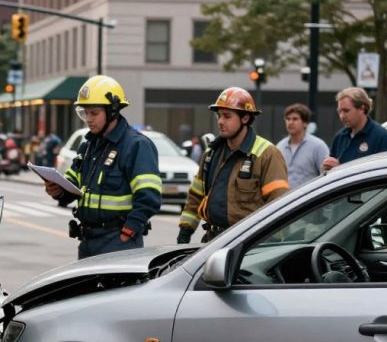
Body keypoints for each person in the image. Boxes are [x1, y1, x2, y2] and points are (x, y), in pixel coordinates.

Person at [44, 75, 162, 259]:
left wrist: (129, 231)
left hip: (119, 243)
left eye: (94, 113)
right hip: (88, 241)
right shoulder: (89, 145)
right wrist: (58, 190)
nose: (88, 119)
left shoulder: (136, 145)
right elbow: (72, 185)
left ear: (113, 110)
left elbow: (149, 197)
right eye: (84, 112)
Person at [177, 87, 290, 243]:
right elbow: (196, 195)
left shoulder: (267, 154)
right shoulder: (211, 153)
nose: (220, 121)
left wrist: (270, 248)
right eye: (219, 116)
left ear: (245, 118)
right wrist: (185, 230)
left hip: (248, 243)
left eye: (227, 116)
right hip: (212, 239)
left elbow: (278, 204)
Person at [323, 87, 387, 171]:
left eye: (346, 111)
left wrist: (341, 169)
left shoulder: (381, 137)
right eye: (339, 111)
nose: (342, 116)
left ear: (362, 109)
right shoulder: (340, 137)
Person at [277, 103, 328, 189]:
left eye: (295, 119)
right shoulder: (279, 147)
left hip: (309, 199)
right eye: (288, 119)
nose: (290, 122)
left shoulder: (318, 146)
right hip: (285, 200)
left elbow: (326, 175)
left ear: (305, 123)